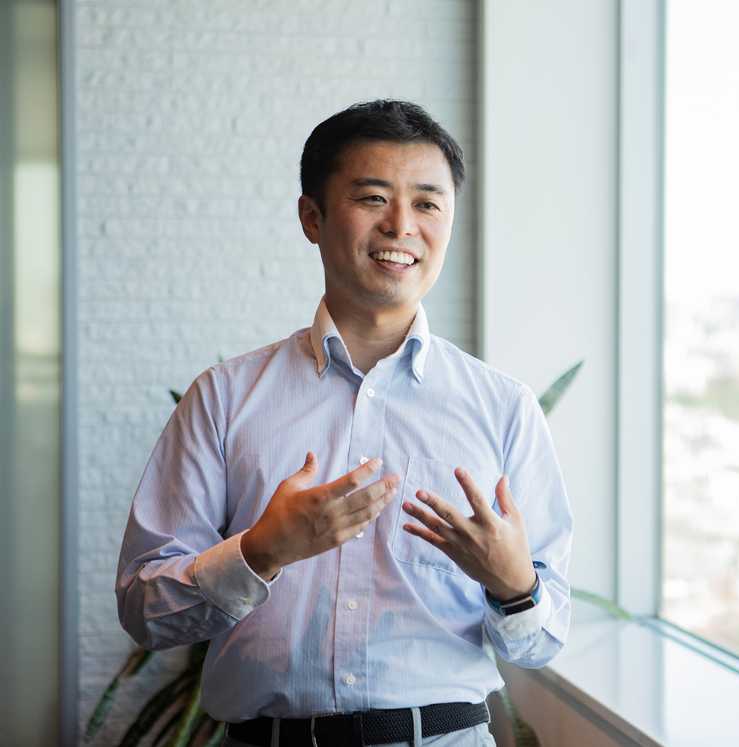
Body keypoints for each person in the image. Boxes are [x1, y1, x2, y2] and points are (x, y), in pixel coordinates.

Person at [116, 100, 573, 747]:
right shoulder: (223, 397)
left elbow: (544, 638)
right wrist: (261, 550)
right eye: (373, 197)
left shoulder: (504, 407)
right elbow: (143, 609)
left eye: (427, 203)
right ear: (313, 217)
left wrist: (513, 582)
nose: (401, 225)